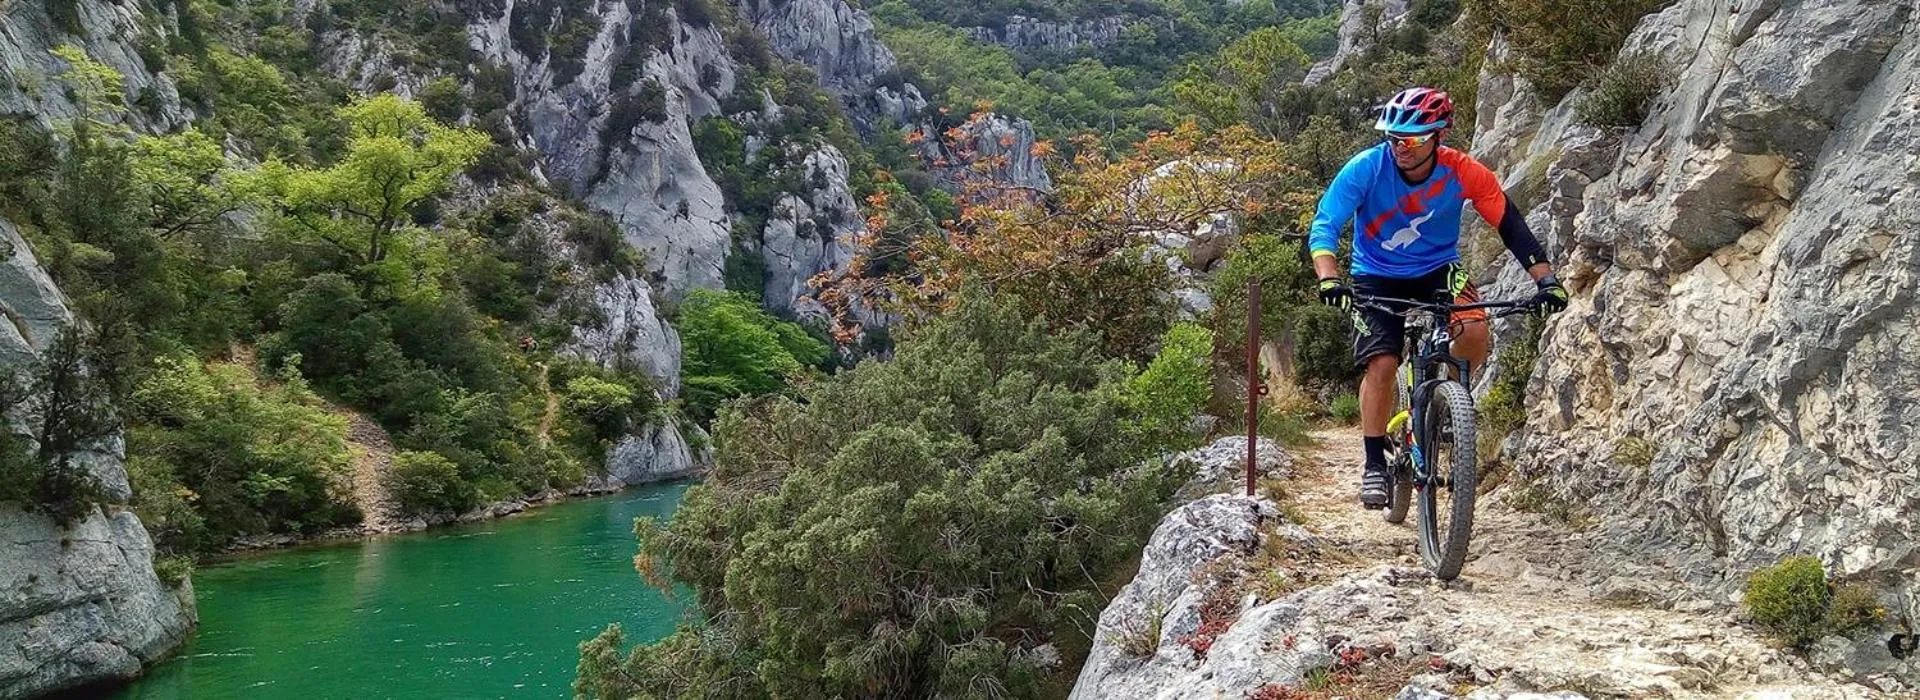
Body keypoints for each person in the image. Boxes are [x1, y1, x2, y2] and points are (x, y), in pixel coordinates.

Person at [1307, 86, 1568, 509]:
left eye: (1410, 139)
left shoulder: (1463, 171)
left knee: (1475, 329)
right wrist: (1329, 278)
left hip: (1440, 270)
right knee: (1383, 361)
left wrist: (1546, 280)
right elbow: (1325, 226)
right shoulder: (1366, 169)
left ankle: (1447, 403)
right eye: (1392, 138)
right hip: (1376, 274)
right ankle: (1374, 463)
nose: (1399, 148)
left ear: (1437, 137)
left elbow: (1510, 224)